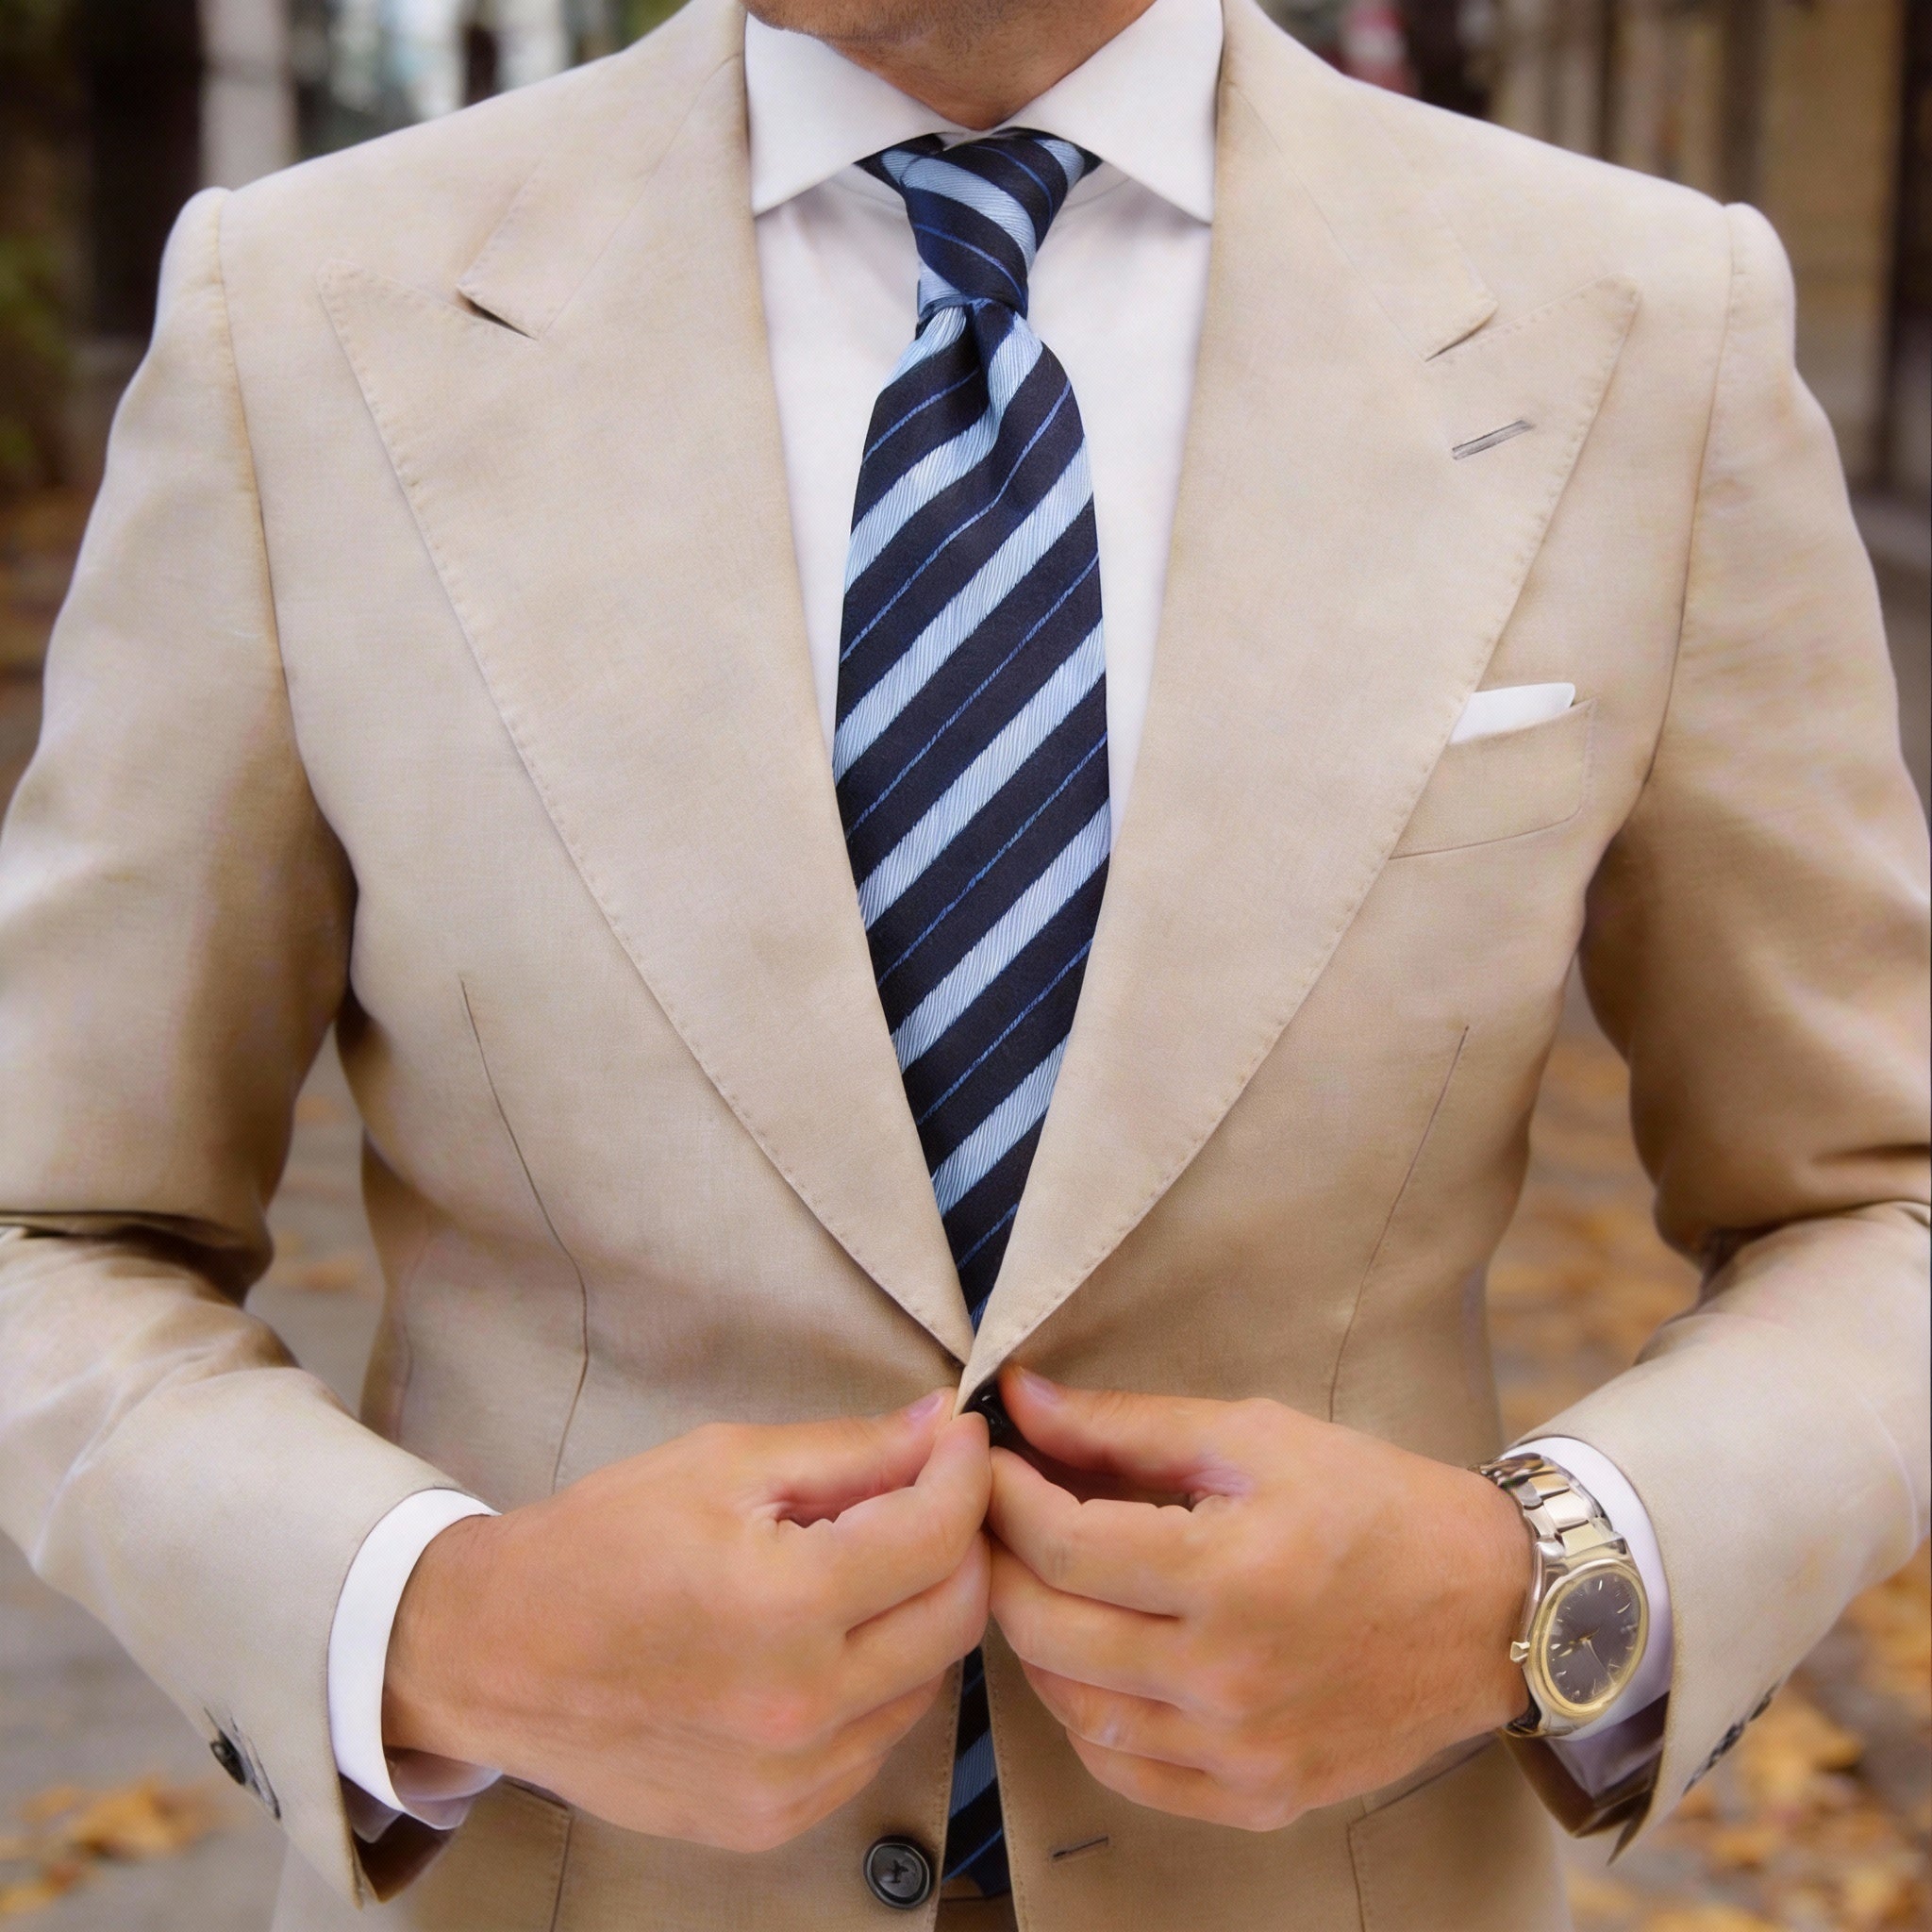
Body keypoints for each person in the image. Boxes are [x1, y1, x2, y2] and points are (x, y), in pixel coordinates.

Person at [0, 0, 1924, 1924]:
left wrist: (1544, 1591)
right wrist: (434, 1626)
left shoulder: (1638, 322)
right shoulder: (308, 311)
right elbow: (53, 1224)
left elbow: (1877, 1202)